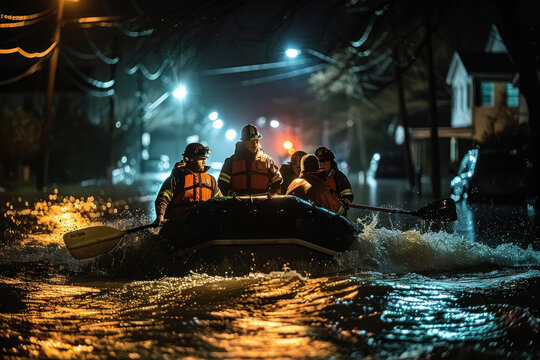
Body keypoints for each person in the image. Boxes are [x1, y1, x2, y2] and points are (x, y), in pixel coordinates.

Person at [154, 143, 221, 225]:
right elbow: (163, 198)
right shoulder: (177, 177)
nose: (204, 161)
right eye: (201, 159)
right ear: (190, 159)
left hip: (204, 222)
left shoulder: (211, 180)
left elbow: (220, 200)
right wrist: (160, 216)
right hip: (180, 223)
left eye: (205, 158)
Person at [218, 124, 282, 195]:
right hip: (238, 204)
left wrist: (273, 196)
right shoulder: (231, 162)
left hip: (263, 204)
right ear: (244, 142)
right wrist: (231, 195)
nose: (254, 144)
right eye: (251, 141)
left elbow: (278, 183)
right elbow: (222, 184)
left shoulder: (268, 161)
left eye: (256, 140)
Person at [315, 146, 354, 210]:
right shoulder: (313, 177)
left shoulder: (339, 177)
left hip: (335, 213)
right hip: (317, 212)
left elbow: (348, 195)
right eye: (320, 162)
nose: (322, 164)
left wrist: (344, 202)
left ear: (331, 162)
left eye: (325, 161)